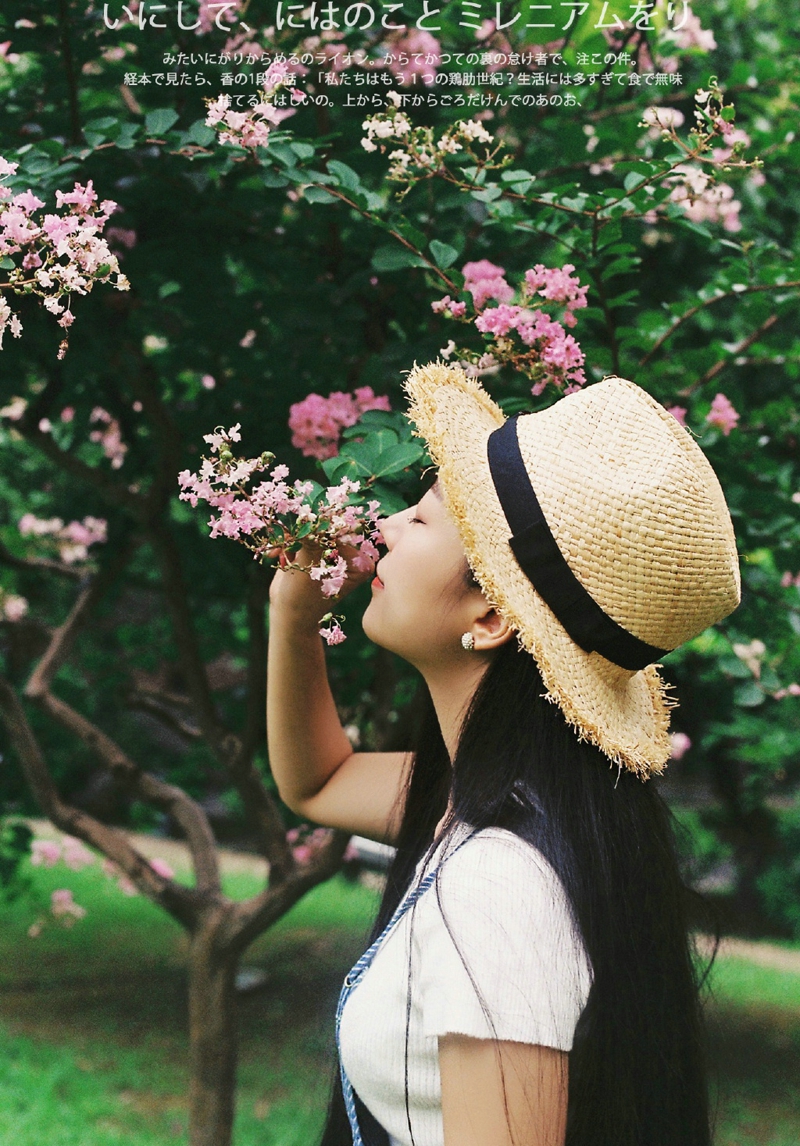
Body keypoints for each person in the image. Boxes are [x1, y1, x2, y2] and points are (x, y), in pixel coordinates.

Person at [267, 362, 741, 1146]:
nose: (382, 527)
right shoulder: (512, 802)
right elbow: (321, 782)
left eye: (421, 521)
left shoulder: (503, 887)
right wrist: (294, 610)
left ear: (488, 615)